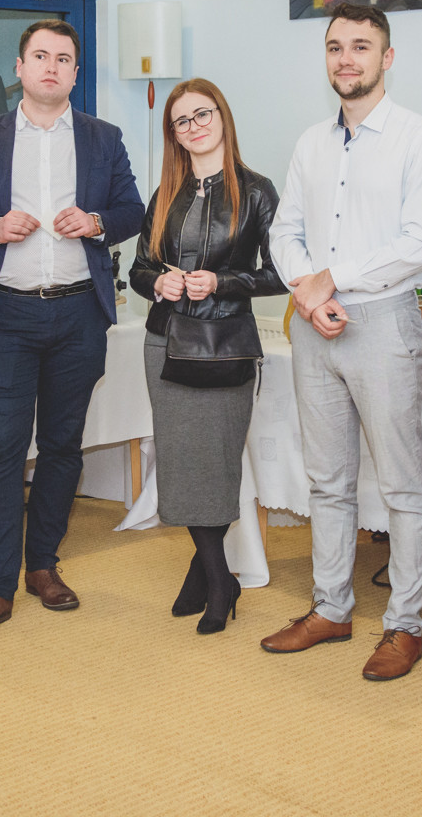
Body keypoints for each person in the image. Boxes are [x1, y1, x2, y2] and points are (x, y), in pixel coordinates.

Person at [0, 19, 143, 641]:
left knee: (61, 446)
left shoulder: (104, 138)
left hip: (79, 315)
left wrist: (98, 221)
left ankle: (43, 566)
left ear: (76, 72)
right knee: (0, 451)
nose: (51, 67)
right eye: (40, 56)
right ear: (20, 68)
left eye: (63, 58)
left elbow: (133, 210)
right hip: (7, 315)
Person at [263, 2, 422, 680]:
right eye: (336, 47)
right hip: (316, 326)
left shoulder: (421, 138)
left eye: (361, 47)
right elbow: (284, 231)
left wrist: (330, 280)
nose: (347, 59)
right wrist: (310, 291)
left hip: (384, 322)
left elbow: (418, 243)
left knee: (402, 485)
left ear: (387, 58)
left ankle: (404, 625)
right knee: (328, 481)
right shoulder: (311, 142)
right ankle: (331, 609)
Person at [128, 78, 285, 634]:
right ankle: (216, 575)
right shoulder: (165, 192)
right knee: (181, 460)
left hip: (225, 347)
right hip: (165, 342)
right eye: (182, 121)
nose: (194, 127)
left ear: (222, 116)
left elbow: (281, 274)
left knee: (214, 462)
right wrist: (158, 284)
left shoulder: (257, 191)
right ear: (173, 134)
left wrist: (221, 282)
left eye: (203, 114)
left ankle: (214, 577)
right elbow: (139, 268)